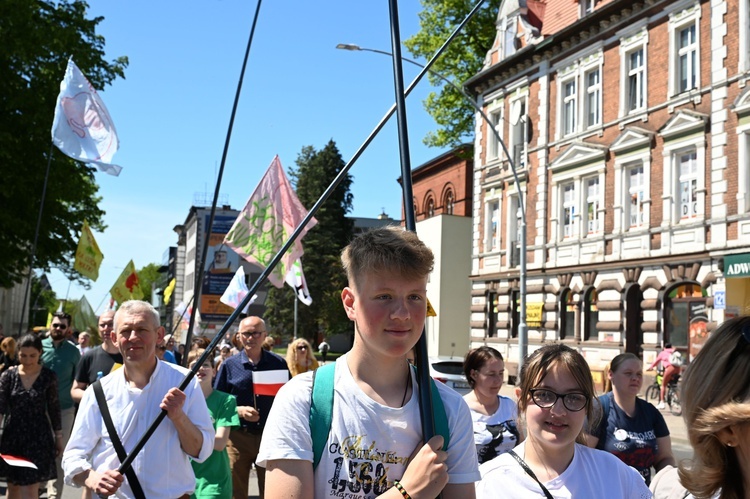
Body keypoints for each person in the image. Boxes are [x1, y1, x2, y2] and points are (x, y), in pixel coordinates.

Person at [257, 226, 480, 498]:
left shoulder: (448, 409)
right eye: (384, 297)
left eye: (415, 297)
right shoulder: (303, 400)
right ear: (350, 303)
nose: (402, 314)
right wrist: (406, 492)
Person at [62, 300, 215, 498]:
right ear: (115, 338)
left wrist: (179, 417)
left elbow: (202, 451)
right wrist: (93, 478)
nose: (134, 337)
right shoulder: (98, 392)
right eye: (126, 331)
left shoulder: (185, 383)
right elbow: (73, 456)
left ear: (159, 335)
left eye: (142, 329)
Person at [475, 343, 651, 498]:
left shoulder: (615, 475)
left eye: (574, 397)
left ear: (587, 406)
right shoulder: (489, 483)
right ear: (521, 400)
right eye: (544, 395)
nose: (558, 411)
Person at [650, 316, 750, 499]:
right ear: (728, 429)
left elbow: (655, 365)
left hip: (670, 372)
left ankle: (663, 398)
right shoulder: (669, 491)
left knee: (663, 385)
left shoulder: (664, 354)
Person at [213, 316, 289, 499]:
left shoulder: (278, 363)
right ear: (238, 336)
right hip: (238, 437)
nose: (251, 337)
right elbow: (217, 403)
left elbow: (289, 399)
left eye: (256, 333)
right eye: (247, 333)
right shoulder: (229, 365)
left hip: (270, 437)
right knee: (235, 490)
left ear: (264, 336)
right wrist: (238, 411)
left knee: (271, 490)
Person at [588, 352, 675, 485]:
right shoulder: (599, 409)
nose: (635, 378)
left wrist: (668, 483)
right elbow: (582, 457)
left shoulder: (651, 412)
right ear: (611, 375)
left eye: (639, 374)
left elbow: (665, 458)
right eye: (628, 373)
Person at [0, 334, 62, 499]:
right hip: (13, 437)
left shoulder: (49, 376)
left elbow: (54, 409)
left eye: (32, 356)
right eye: (23, 355)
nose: (27, 360)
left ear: (40, 352)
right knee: (13, 487)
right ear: (17, 352)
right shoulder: (8, 376)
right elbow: (0, 408)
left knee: (30, 489)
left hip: (38, 437)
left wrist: (59, 437)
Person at [187, 349, 240, 499]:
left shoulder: (226, 401)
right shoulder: (180, 402)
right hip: (183, 479)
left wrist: (189, 439)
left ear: (214, 371)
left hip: (213, 481)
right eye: (194, 365)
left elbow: (220, 443)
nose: (200, 368)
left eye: (205, 364)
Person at [42, 311, 81, 499]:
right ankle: (38, 485)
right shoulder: (39, 347)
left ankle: (54, 493)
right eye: (55, 325)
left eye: (62, 326)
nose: (58, 328)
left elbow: (78, 380)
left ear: (68, 330)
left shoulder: (74, 352)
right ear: (50, 325)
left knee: (59, 452)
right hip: (38, 409)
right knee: (38, 448)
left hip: (64, 409)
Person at [463, 346, 523, 464]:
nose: (498, 380)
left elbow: (521, 445)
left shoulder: (510, 405)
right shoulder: (461, 409)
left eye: (501, 373)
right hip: (476, 480)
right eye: (491, 374)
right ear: (474, 374)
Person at [71, 310, 124, 406]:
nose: (106, 328)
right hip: (97, 417)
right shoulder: (89, 356)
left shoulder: (130, 356)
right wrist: (97, 397)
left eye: (110, 324)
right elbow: (75, 391)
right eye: (102, 325)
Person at [647, 343, 678, 409]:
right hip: (678, 369)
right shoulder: (674, 351)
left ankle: (662, 403)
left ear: (664, 347)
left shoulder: (663, 353)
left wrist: (650, 367)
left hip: (670, 368)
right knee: (672, 385)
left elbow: (656, 361)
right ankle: (675, 401)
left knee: (663, 385)